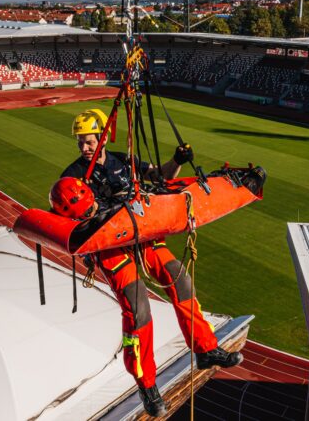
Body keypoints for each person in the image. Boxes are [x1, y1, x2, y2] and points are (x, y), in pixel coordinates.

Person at [55, 109, 244, 417]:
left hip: (141, 233)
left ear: (103, 138)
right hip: (112, 247)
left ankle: (206, 349)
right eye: (80, 142)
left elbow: (160, 176)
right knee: (138, 308)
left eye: (89, 141)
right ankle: (147, 385)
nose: (84, 148)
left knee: (180, 279)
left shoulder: (122, 161)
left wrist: (177, 160)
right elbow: (65, 216)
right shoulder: (73, 175)